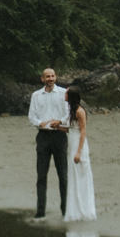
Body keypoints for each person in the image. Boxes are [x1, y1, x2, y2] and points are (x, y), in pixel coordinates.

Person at [27, 67, 69, 218]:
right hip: (43, 136)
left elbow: (68, 114)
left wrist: (59, 122)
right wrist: (42, 123)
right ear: (42, 79)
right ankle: (40, 211)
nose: (50, 79)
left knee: (63, 175)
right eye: (47, 76)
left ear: (55, 77)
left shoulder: (63, 93)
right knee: (41, 175)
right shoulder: (36, 95)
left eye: (52, 76)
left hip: (59, 136)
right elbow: (31, 116)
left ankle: (65, 210)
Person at [65, 84, 97, 222]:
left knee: (82, 175)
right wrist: (57, 126)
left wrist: (78, 152)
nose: (64, 95)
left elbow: (83, 132)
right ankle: (74, 210)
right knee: (73, 175)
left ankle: (85, 210)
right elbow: (70, 129)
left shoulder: (80, 111)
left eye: (66, 93)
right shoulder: (71, 110)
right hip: (71, 143)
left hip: (79, 144)